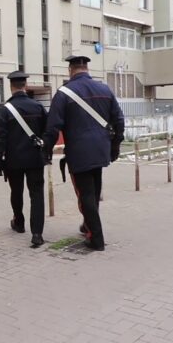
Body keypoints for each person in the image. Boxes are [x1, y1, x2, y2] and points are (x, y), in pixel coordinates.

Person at [43, 55, 125, 251]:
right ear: (86, 68)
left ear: (70, 70)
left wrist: (46, 151)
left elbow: (53, 127)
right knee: (94, 190)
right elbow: (119, 120)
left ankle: (95, 238)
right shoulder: (105, 89)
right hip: (101, 149)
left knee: (85, 194)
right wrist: (115, 146)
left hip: (79, 152)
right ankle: (88, 224)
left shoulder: (63, 93)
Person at [0, 71, 48, 247]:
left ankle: (19, 222)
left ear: (11, 87)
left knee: (16, 192)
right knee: (37, 195)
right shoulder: (38, 107)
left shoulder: (4, 110)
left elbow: (0, 139)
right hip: (35, 159)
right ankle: (37, 234)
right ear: (25, 85)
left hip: (14, 161)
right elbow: (46, 132)